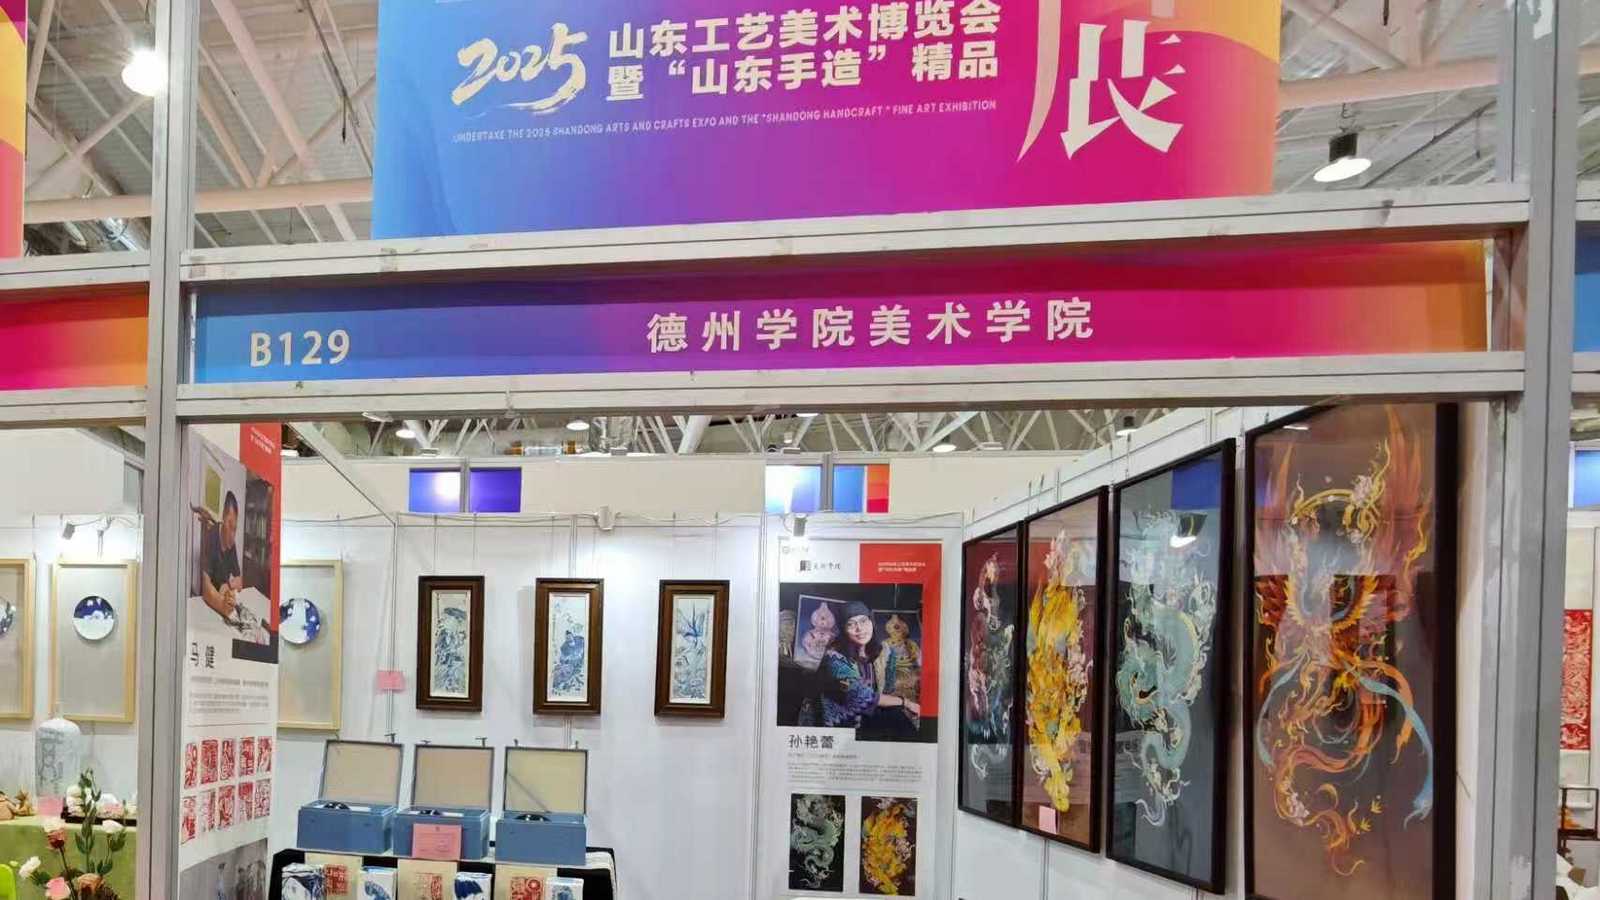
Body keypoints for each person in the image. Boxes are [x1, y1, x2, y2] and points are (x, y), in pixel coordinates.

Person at [800, 601, 920, 732]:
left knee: (903, 724)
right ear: (843, 629)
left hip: (872, 714)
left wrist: (900, 706)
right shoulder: (834, 657)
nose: (860, 629)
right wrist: (906, 702)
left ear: (871, 622)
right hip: (841, 720)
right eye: (851, 624)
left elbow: (888, 689)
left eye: (863, 621)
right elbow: (860, 697)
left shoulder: (886, 651)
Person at [201, 492, 243, 621]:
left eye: (235, 528)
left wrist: (228, 586)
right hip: (209, 605)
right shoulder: (211, 536)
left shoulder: (232, 544)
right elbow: (206, 588)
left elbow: (239, 581)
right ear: (223, 518)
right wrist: (221, 604)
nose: (232, 535)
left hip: (225, 597)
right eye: (230, 525)